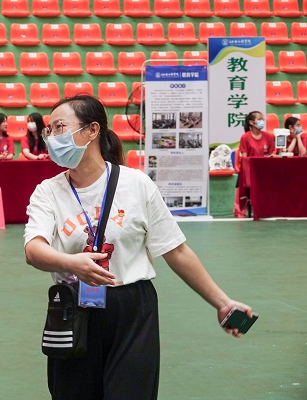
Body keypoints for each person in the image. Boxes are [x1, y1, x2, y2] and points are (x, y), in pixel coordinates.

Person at [23, 95, 253, 400]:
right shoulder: (48, 191)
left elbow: (176, 250)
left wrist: (222, 302)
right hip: (72, 307)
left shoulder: (136, 184)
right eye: (49, 131)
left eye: (60, 127)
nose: (52, 138)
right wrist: (71, 263)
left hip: (132, 310)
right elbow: (34, 249)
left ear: (92, 130)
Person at [235, 111, 276, 217]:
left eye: (263, 119)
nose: (262, 121)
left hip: (265, 170)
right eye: (259, 119)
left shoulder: (269, 137)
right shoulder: (245, 137)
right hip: (250, 171)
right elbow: (244, 158)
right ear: (252, 123)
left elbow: (272, 154)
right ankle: (249, 208)